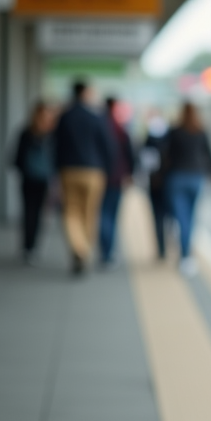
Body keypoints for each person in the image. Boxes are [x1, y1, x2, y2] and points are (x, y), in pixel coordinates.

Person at [54, 80, 114, 275]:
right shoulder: (96, 117)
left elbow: (55, 145)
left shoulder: (64, 117)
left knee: (71, 212)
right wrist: (108, 168)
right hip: (93, 171)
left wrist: (56, 170)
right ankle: (85, 250)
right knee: (90, 213)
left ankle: (78, 248)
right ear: (85, 93)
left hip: (68, 170)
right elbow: (107, 146)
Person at [162, 102, 211, 275]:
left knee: (180, 218)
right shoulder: (202, 131)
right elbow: (209, 155)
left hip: (176, 178)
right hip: (196, 178)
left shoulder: (174, 131)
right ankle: (187, 256)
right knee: (191, 219)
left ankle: (184, 254)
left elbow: (166, 155)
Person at [11, 100, 55, 264]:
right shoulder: (50, 134)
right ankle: (31, 246)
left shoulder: (27, 132)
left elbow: (16, 156)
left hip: (32, 178)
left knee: (30, 212)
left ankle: (29, 246)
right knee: (35, 213)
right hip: (39, 178)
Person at [98, 97, 136, 268]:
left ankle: (104, 251)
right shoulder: (120, 129)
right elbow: (130, 153)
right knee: (112, 214)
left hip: (98, 176)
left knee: (101, 213)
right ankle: (108, 253)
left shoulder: (98, 126)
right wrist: (131, 173)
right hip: (117, 177)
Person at [140, 112, 172, 261]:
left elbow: (146, 162)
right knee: (171, 216)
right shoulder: (171, 136)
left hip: (155, 183)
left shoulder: (149, 139)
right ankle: (171, 243)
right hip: (170, 183)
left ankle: (161, 248)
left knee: (157, 217)